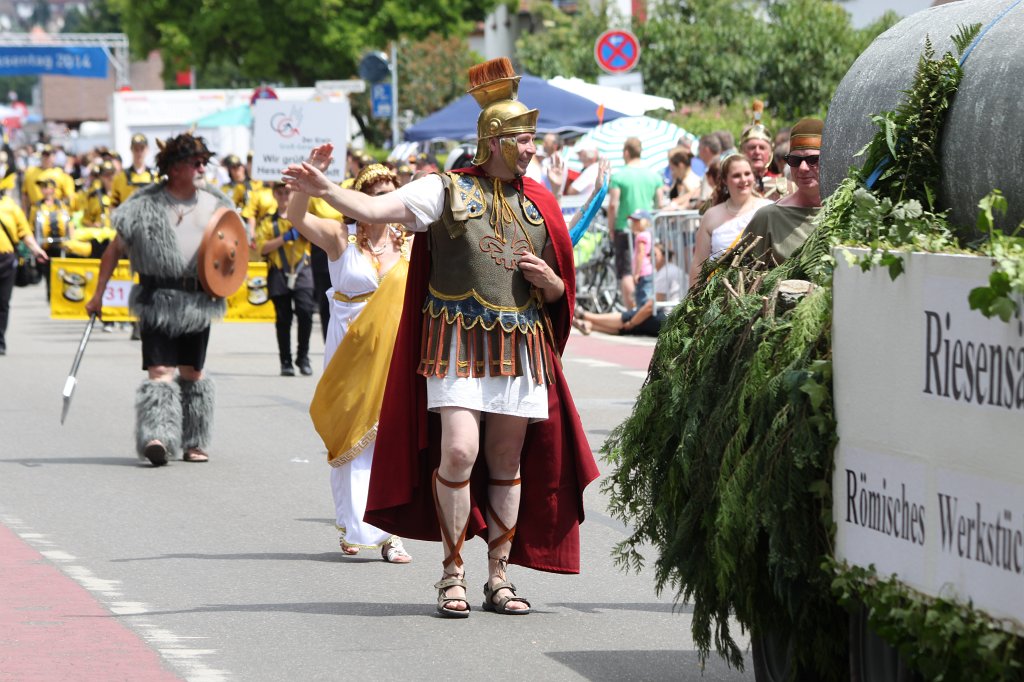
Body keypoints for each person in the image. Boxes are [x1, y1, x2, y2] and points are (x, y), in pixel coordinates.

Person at [283, 57, 602, 618]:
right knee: (458, 450)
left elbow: (559, 288)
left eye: (533, 140)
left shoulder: (540, 201)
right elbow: (375, 207)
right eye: (524, 139)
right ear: (495, 140)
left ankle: (497, 578)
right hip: (455, 341)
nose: (533, 149)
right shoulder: (444, 189)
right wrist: (327, 188)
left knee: (507, 461)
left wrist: (554, 287)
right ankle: (451, 573)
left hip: (521, 345)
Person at [85, 133, 233, 467]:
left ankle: (194, 441)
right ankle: (158, 437)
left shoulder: (216, 204)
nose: (201, 167)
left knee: (192, 373)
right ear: (174, 167)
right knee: (160, 370)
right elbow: (113, 251)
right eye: (195, 162)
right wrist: (98, 295)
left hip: (196, 301)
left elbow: (233, 250)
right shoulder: (142, 206)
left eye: (203, 162)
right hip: (155, 298)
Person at [291, 162, 414, 564]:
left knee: (390, 440)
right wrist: (308, 185)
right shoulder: (339, 240)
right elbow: (293, 217)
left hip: (393, 350)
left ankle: (392, 534)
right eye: (374, 195)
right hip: (349, 350)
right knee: (351, 440)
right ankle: (350, 523)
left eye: (389, 193)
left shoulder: (410, 244)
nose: (383, 201)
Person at [742, 118, 824, 265]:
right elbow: (742, 276)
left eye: (813, 159)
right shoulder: (768, 217)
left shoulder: (847, 213)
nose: (803, 168)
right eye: (795, 160)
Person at [255, 182, 314, 377]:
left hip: (302, 269)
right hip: (278, 272)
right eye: (279, 193)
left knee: (305, 313)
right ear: (274, 195)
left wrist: (304, 230)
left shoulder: (303, 217)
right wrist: (285, 237)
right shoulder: (267, 221)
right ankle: (286, 361)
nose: (284, 196)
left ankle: (303, 357)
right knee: (283, 318)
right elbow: (261, 248)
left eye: (287, 192)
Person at [688, 154, 773, 289]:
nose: (743, 179)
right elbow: (699, 262)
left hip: (758, 289)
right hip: (719, 293)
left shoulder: (768, 208)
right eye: (736, 175)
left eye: (747, 174)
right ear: (724, 180)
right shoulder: (711, 216)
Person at [574, 241, 681, 337]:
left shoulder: (665, 272)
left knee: (631, 318)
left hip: (667, 318)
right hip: (673, 319)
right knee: (633, 324)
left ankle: (585, 316)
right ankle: (590, 325)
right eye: (649, 255)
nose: (651, 258)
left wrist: (633, 322)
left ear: (664, 255)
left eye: (655, 254)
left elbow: (651, 306)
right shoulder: (672, 270)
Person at [607, 136, 663, 309]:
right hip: (647, 229)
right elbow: (660, 204)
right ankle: (642, 307)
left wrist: (611, 228)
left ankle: (631, 311)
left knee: (626, 272)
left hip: (625, 227)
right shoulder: (654, 175)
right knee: (645, 267)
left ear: (626, 153)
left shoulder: (618, 176)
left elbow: (613, 204)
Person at [0, 171, 48, 355]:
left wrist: (37, 249)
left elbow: (24, 232)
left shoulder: (10, 206)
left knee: (3, 303)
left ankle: (0, 341)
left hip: (6, 260)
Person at [29, 175, 73, 301]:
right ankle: (50, 294)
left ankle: (60, 295)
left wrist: (71, 241)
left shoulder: (61, 205)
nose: (44, 190)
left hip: (60, 244)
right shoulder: (36, 207)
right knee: (47, 271)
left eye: (46, 187)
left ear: (52, 189)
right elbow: (32, 226)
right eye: (42, 188)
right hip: (44, 245)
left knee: (60, 270)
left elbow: (68, 223)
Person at [740, 101, 791, 201]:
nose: (757, 151)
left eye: (762, 148)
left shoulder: (783, 182)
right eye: (752, 147)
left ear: (770, 152)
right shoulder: (732, 180)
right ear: (742, 151)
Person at [111, 134, 156, 208]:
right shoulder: (120, 177)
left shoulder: (155, 176)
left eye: (142, 148)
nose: (139, 153)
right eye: (136, 149)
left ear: (147, 150)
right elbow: (113, 204)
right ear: (131, 149)